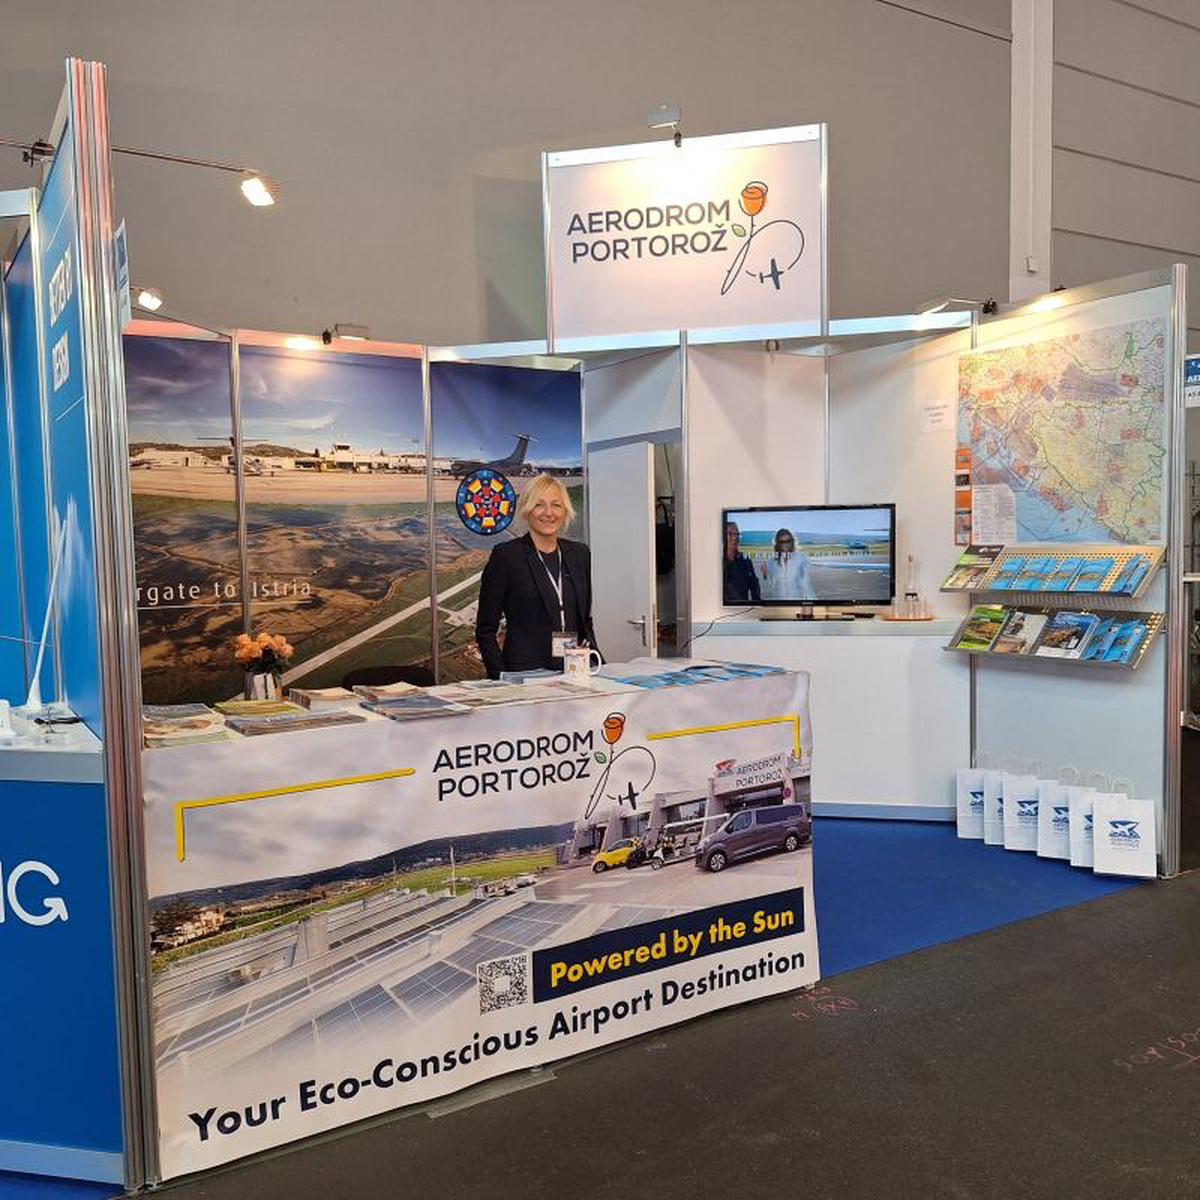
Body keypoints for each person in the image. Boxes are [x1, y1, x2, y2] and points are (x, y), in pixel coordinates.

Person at [475, 473, 602, 679]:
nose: (549, 513)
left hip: (576, 671)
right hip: (525, 676)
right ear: (527, 510)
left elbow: (584, 620)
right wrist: (501, 678)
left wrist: (593, 660)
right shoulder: (506, 556)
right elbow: (485, 629)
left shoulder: (579, 554)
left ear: (565, 510)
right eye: (539, 505)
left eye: (556, 505)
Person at [760, 528, 815, 601]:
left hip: (797, 600)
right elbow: (772, 586)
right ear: (778, 543)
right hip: (779, 601)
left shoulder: (801, 557)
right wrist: (765, 574)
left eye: (788, 541)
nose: (785, 544)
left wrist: (813, 601)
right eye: (782, 542)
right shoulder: (772, 561)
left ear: (792, 541)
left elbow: (806, 583)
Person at [723, 521, 761, 603]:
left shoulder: (745, 559)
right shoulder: (716, 561)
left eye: (737, 534)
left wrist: (757, 604)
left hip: (741, 607)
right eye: (730, 534)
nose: (735, 537)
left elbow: (754, 584)